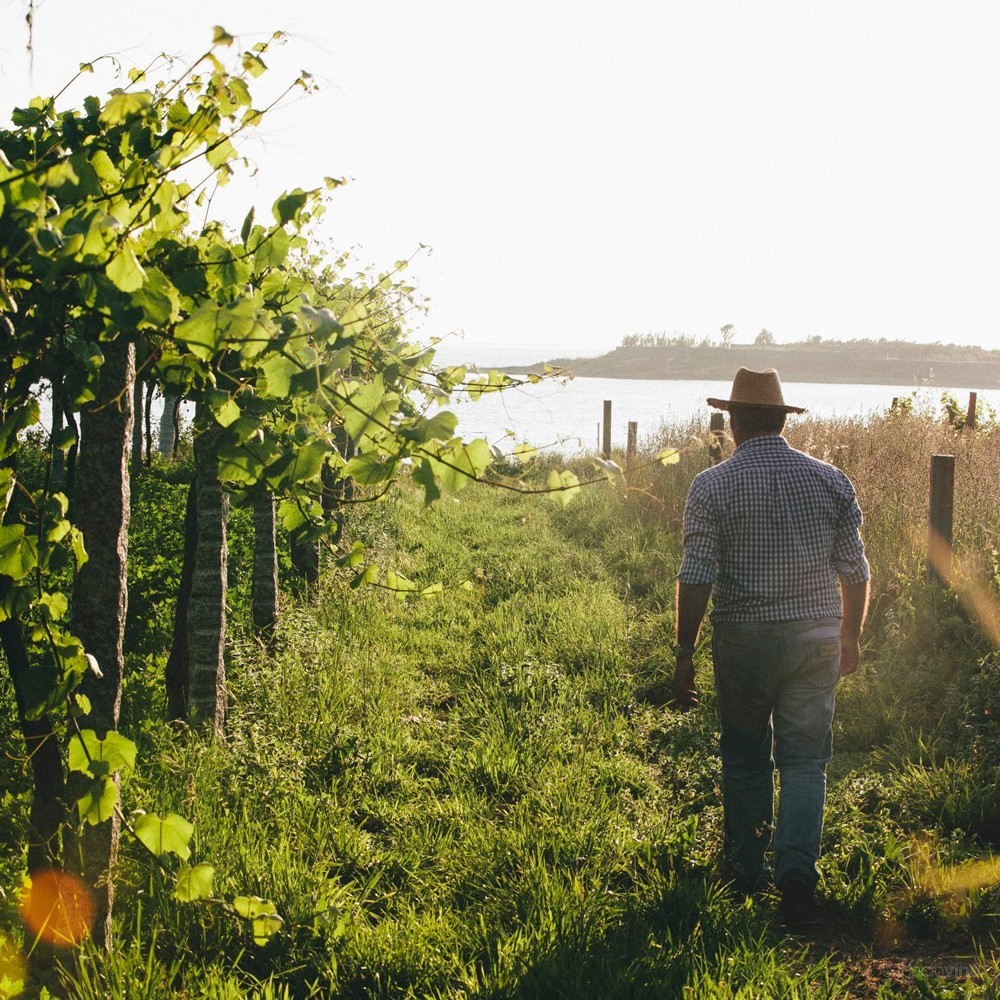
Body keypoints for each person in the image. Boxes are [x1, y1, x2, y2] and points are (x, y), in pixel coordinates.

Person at [670, 367, 870, 923]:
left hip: (745, 640)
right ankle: (797, 872)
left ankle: (746, 868)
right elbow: (855, 571)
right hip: (816, 638)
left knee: (745, 757)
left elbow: (697, 573)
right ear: (781, 420)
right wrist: (850, 632)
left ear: (733, 422)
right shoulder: (831, 480)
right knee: (806, 761)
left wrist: (684, 651)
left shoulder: (712, 485)